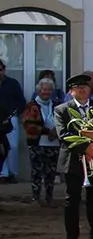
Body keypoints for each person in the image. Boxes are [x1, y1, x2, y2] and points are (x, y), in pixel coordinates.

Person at [54, 74, 93, 239]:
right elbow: (63, 134)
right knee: (72, 200)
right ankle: (71, 238)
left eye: (85, 86)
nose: (82, 89)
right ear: (71, 91)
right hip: (73, 160)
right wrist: (84, 147)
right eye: (78, 87)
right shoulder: (62, 109)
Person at [23, 78, 61, 206]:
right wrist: (47, 132)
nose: (47, 92)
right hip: (37, 143)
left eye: (49, 90)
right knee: (37, 172)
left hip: (54, 143)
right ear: (39, 91)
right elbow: (28, 125)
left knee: (51, 173)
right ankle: (36, 197)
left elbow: (64, 121)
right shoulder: (31, 106)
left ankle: (49, 198)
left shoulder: (57, 105)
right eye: (44, 89)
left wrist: (56, 131)